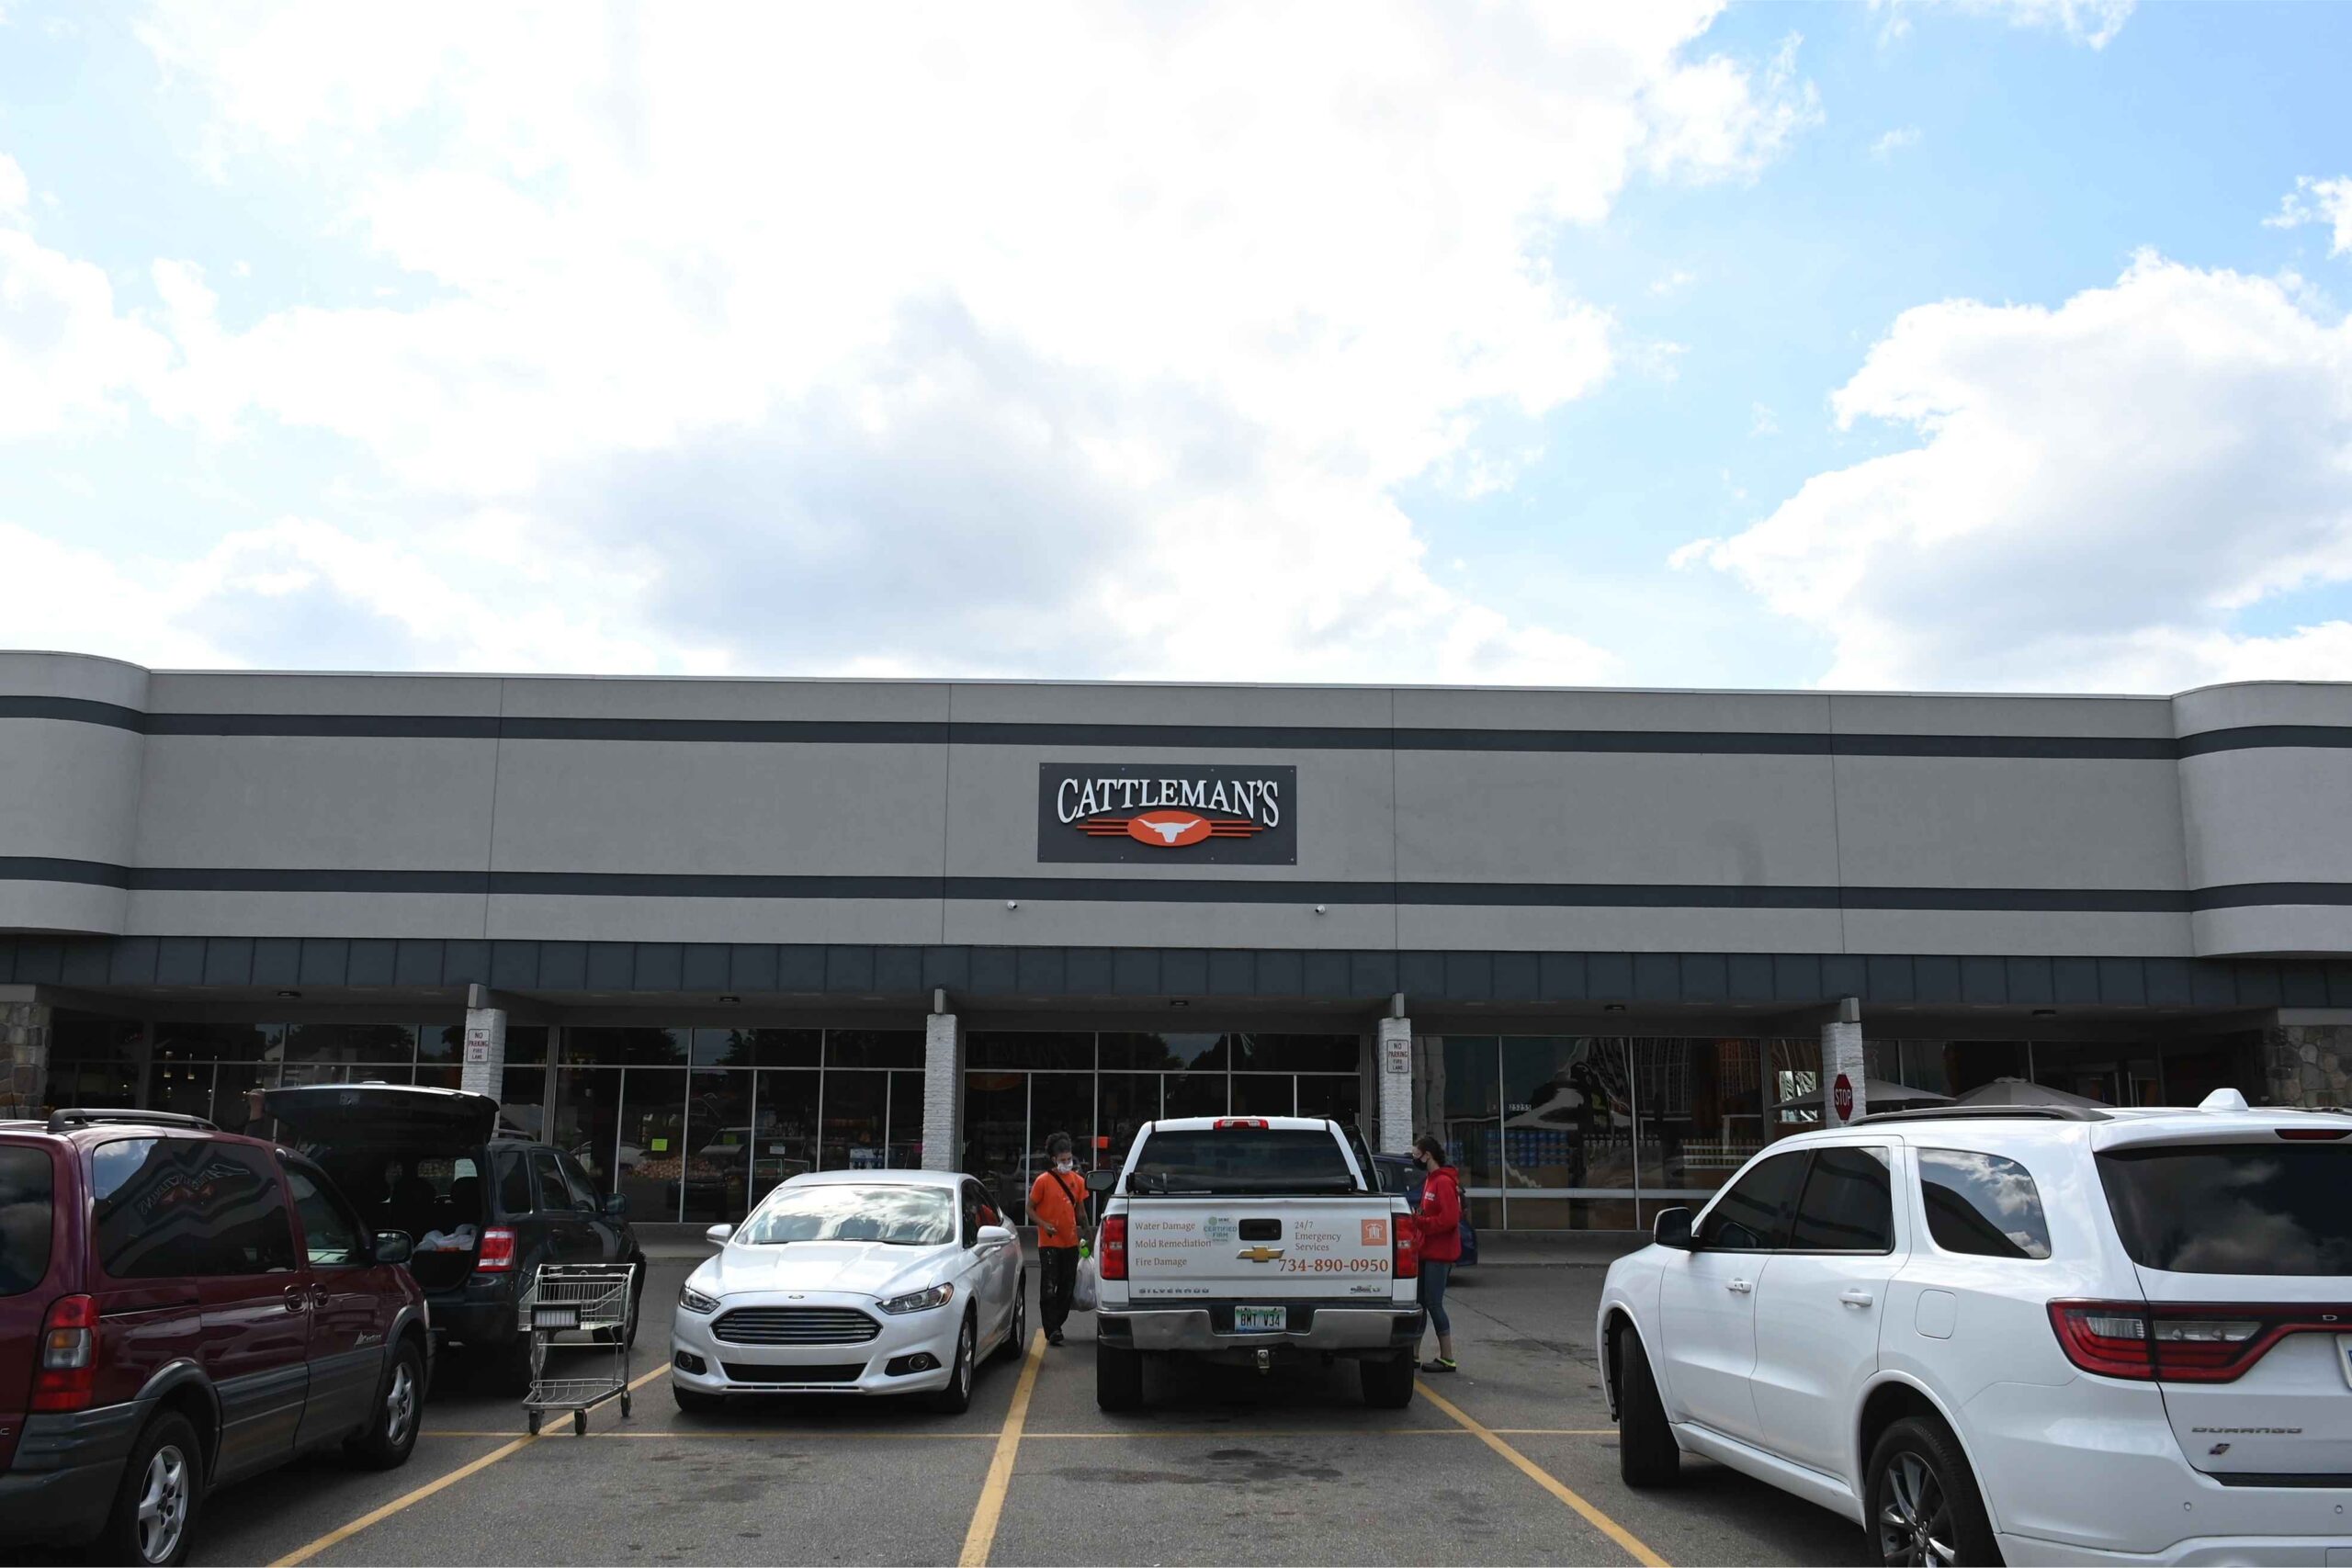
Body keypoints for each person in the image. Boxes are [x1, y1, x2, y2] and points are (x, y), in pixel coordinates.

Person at [1028, 1131, 1090, 1348]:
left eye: (1069, 1159)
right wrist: (1044, 1225)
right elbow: (1029, 1209)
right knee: (1049, 1287)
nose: (1067, 1163)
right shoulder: (1043, 1181)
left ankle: (1057, 1323)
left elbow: (1081, 1212)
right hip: (1048, 1244)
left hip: (1071, 1243)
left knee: (1067, 1286)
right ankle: (1052, 1329)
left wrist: (1089, 1236)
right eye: (1063, 1160)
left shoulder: (1078, 1181)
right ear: (1054, 1160)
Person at [1410, 1134, 1463, 1373]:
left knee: (1433, 1303)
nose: (1414, 1159)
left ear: (1427, 1155)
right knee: (1420, 1304)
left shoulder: (1443, 1182)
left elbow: (1450, 1219)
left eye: (1415, 1155)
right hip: (1426, 1250)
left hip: (1439, 1254)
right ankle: (1413, 1354)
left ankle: (1447, 1357)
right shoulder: (1430, 1179)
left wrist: (1422, 1223)